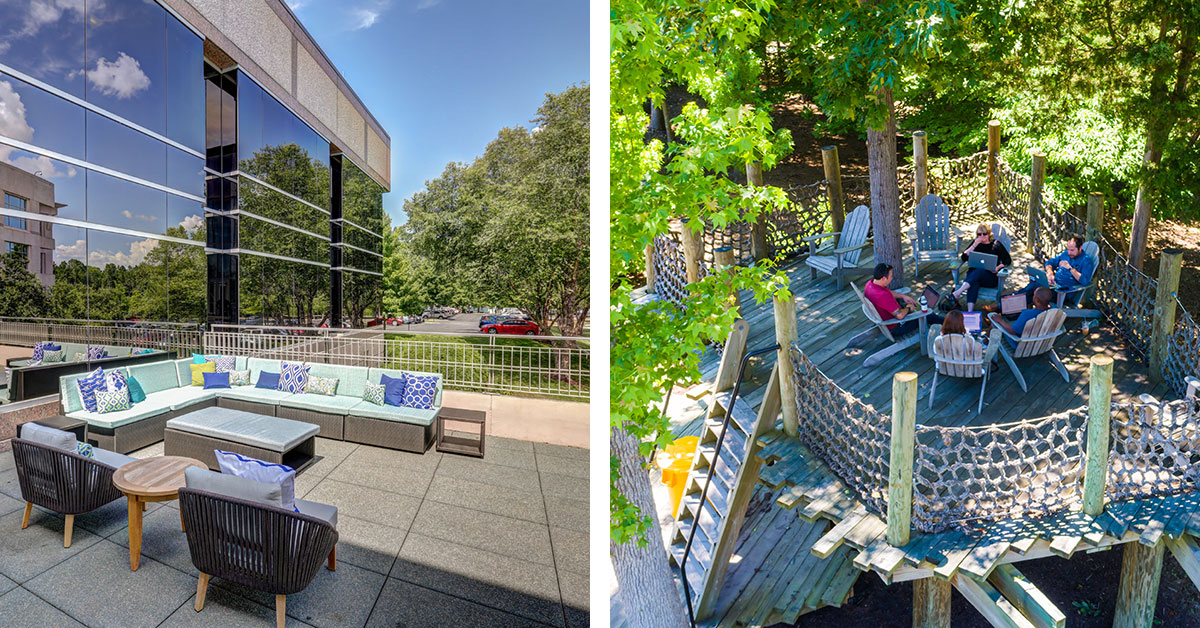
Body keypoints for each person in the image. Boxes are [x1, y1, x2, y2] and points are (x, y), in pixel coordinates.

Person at [864, 263, 943, 336]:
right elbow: (900, 315)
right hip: (897, 326)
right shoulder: (882, 296)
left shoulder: (870, 284)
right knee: (927, 315)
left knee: (917, 307)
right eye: (891, 276)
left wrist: (902, 296)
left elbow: (888, 292)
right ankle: (948, 323)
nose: (891, 278)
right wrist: (909, 308)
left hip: (888, 317)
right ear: (884, 278)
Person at [1018, 234, 1095, 306]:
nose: (1069, 252)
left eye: (1072, 250)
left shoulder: (1086, 261)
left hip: (1063, 293)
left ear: (1080, 248)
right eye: (1068, 249)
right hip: (1054, 285)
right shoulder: (1065, 254)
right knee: (1034, 285)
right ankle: (1013, 301)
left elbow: (1084, 281)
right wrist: (1050, 273)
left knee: (1037, 290)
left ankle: (1013, 304)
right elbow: (1049, 263)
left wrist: (1070, 268)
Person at [950, 223, 1011, 312]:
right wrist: (974, 245)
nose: (982, 236)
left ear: (989, 234)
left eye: (984, 234)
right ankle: (970, 312)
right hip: (973, 277)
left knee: (978, 271)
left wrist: (998, 267)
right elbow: (963, 257)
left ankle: (958, 292)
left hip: (990, 278)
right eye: (979, 234)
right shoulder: (976, 244)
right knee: (974, 282)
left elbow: (1007, 260)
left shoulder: (996, 244)